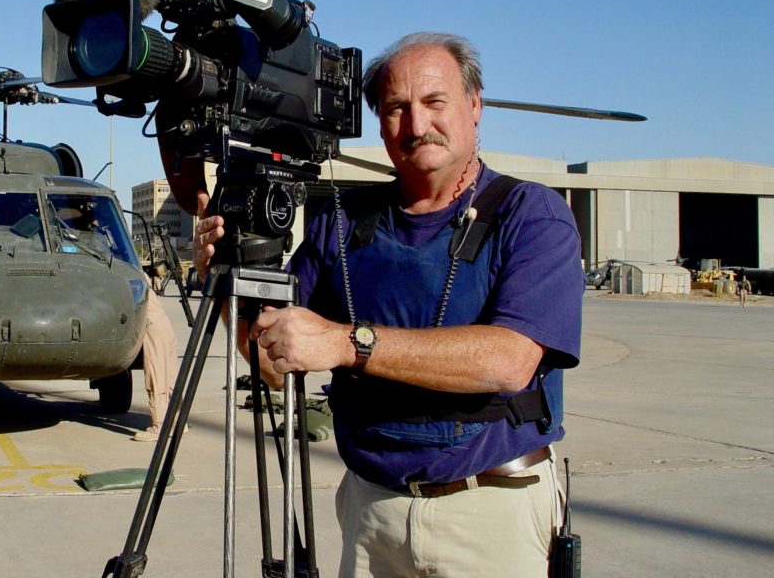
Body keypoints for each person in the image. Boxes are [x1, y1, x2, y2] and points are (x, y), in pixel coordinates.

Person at [193, 32, 584, 577]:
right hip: (371, 511)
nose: (416, 125)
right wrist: (228, 280)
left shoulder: (531, 215)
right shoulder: (343, 221)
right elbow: (270, 365)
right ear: (379, 123)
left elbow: (510, 361)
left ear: (474, 105)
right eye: (396, 108)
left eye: (434, 102)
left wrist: (345, 343)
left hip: (492, 507)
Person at [131, 287, 180, 441]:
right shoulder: (143, 276)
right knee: (170, 377)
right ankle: (178, 421)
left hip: (152, 327)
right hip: (164, 324)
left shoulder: (131, 276)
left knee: (156, 377)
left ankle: (158, 426)